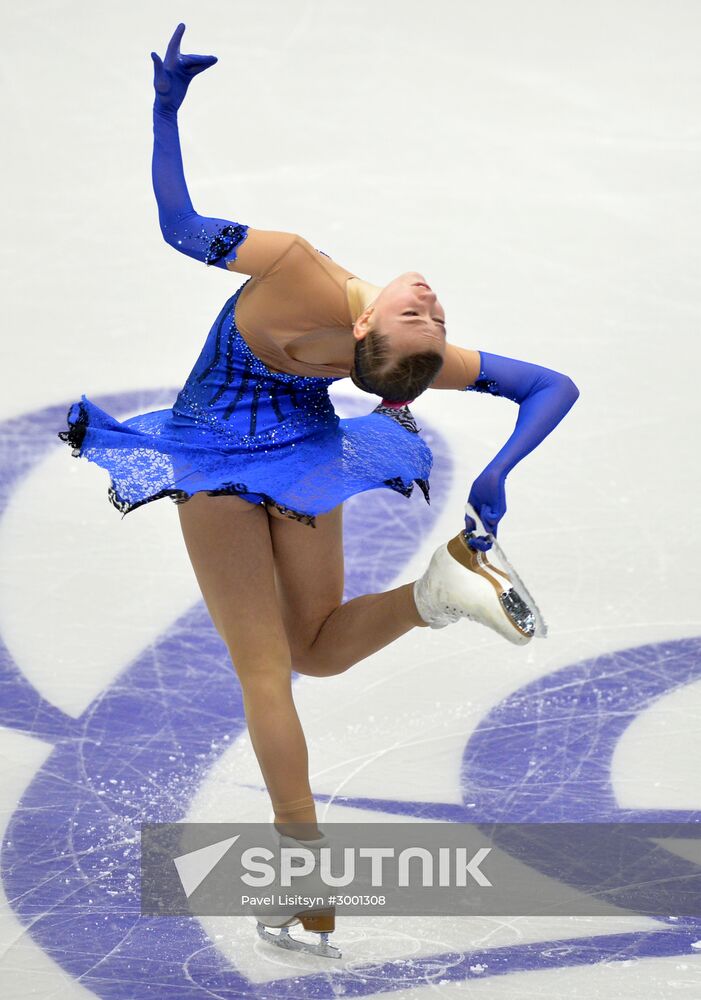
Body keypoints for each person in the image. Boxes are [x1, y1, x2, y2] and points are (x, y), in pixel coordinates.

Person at [57, 23, 579, 957]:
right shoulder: (401, 354)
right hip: (301, 461)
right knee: (314, 655)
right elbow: (549, 386)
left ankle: (306, 885)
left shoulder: (305, 271)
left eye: (427, 315)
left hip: (216, 463)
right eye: (429, 314)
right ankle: (440, 589)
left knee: (277, 669)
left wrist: (163, 110)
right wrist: (496, 473)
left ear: (375, 332)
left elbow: (181, 226)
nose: (433, 306)